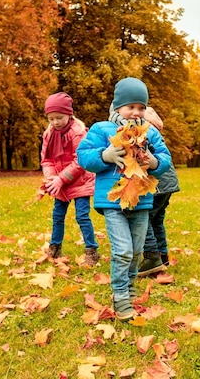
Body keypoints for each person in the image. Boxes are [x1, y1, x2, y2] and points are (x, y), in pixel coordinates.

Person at [76, 77, 172, 320]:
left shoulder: (149, 132)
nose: (136, 112)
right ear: (117, 107)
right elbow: (83, 156)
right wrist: (104, 155)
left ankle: (129, 289)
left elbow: (165, 157)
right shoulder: (101, 129)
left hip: (141, 201)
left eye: (141, 107)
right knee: (122, 250)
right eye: (131, 107)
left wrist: (155, 162)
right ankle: (120, 298)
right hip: (113, 202)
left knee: (137, 250)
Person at [40, 92, 100, 267]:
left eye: (59, 117)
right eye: (51, 118)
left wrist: (61, 178)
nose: (55, 122)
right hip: (60, 182)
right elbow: (47, 159)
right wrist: (52, 179)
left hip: (79, 180)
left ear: (69, 114)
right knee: (57, 215)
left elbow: (81, 161)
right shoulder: (49, 134)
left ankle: (91, 250)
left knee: (82, 216)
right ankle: (55, 246)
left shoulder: (77, 132)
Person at [137, 107, 180, 277]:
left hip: (157, 185)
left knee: (145, 217)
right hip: (168, 186)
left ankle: (152, 255)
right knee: (157, 220)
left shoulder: (145, 133)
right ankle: (163, 255)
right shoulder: (158, 135)